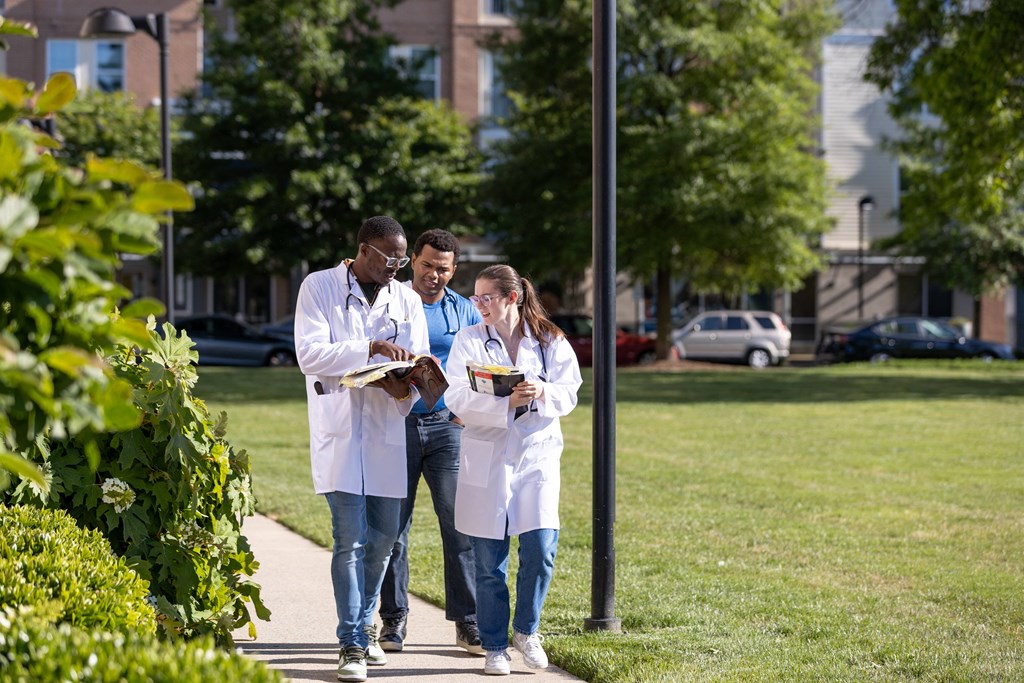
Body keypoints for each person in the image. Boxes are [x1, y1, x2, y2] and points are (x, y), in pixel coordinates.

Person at [294, 215, 430, 683]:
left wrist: (408, 387)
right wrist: (369, 347)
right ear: (364, 250)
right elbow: (309, 354)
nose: (396, 266)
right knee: (350, 540)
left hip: (386, 433)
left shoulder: (406, 299)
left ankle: (367, 625)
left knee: (384, 542)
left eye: (400, 258)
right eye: (389, 257)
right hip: (342, 429)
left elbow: (416, 357)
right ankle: (352, 641)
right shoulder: (319, 286)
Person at [443, 264, 582, 676]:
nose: (479, 305)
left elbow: (570, 391)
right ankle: (494, 646)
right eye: (476, 298)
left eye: (487, 297)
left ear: (512, 298)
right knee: (489, 563)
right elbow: (455, 395)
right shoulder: (469, 340)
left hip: (536, 456)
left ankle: (526, 630)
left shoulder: (549, 340)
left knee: (540, 550)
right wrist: (503, 403)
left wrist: (542, 391)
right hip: (487, 458)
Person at [377, 229, 485, 655]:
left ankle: (468, 622)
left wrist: (465, 411)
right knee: (393, 529)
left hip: (447, 430)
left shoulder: (465, 312)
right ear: (413, 263)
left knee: (460, 528)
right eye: (426, 266)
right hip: (397, 426)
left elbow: (481, 364)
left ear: (453, 270)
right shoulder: (393, 303)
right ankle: (393, 621)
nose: (434, 276)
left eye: (443, 269)